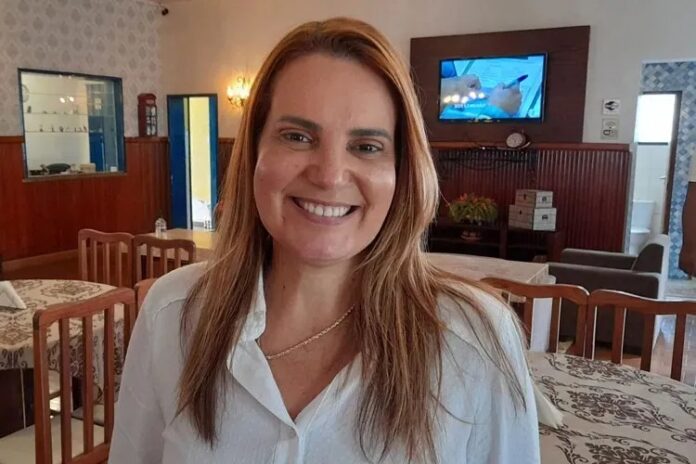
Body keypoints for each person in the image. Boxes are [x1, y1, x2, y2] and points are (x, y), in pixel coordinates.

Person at [110, 17, 540, 463]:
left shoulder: (477, 339)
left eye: (366, 146)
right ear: (254, 154)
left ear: (402, 173)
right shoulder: (171, 313)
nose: (330, 176)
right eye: (297, 137)